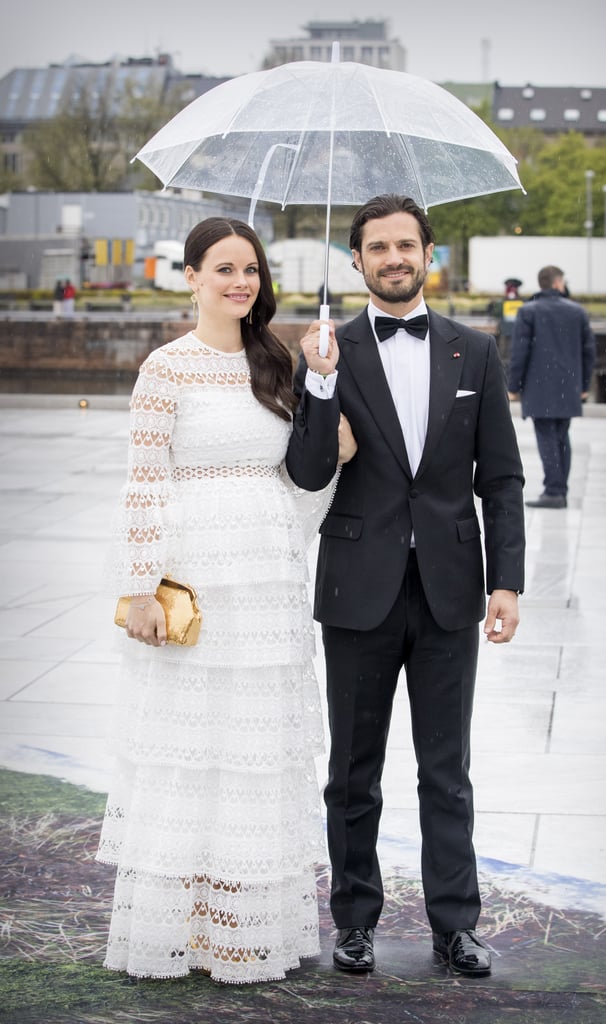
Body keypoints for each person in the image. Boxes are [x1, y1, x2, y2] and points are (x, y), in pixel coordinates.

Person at [97, 216, 356, 985]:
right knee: (191, 750)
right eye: (223, 268)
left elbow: (308, 469)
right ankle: (178, 930)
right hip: (195, 581)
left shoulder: (276, 360)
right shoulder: (164, 370)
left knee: (253, 756)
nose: (239, 281)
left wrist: (323, 395)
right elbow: (144, 482)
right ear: (191, 277)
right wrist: (140, 588)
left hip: (267, 582)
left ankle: (246, 931)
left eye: (250, 269)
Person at [285, 194, 526, 978]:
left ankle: (455, 925)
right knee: (351, 771)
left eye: (405, 245)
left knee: (445, 768)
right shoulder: (326, 351)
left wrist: (508, 583)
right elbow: (310, 471)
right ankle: (353, 921)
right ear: (355, 262)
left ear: (429, 255)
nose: (393, 258)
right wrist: (318, 386)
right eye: (377, 248)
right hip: (358, 590)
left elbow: (502, 478)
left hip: (453, 589)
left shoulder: (475, 350)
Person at [507, 265, 596, 509]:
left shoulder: (529, 311)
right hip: (568, 386)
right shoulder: (577, 312)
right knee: (561, 437)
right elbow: (589, 352)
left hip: (539, 387)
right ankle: (559, 489)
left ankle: (554, 491)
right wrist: (584, 384)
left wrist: (513, 386)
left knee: (546, 438)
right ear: (558, 283)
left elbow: (519, 353)